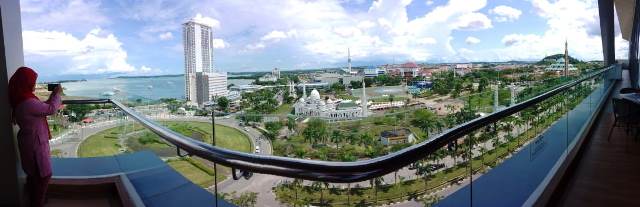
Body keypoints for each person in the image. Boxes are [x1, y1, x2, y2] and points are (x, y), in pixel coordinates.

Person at [9, 67, 62, 207]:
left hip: (28, 142)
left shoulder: (21, 99)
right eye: (32, 81)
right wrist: (57, 94)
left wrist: (51, 98)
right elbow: (50, 109)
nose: (34, 84)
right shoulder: (28, 102)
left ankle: (35, 198)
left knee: (34, 176)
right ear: (25, 83)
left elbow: (40, 108)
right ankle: (37, 202)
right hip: (35, 145)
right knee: (44, 175)